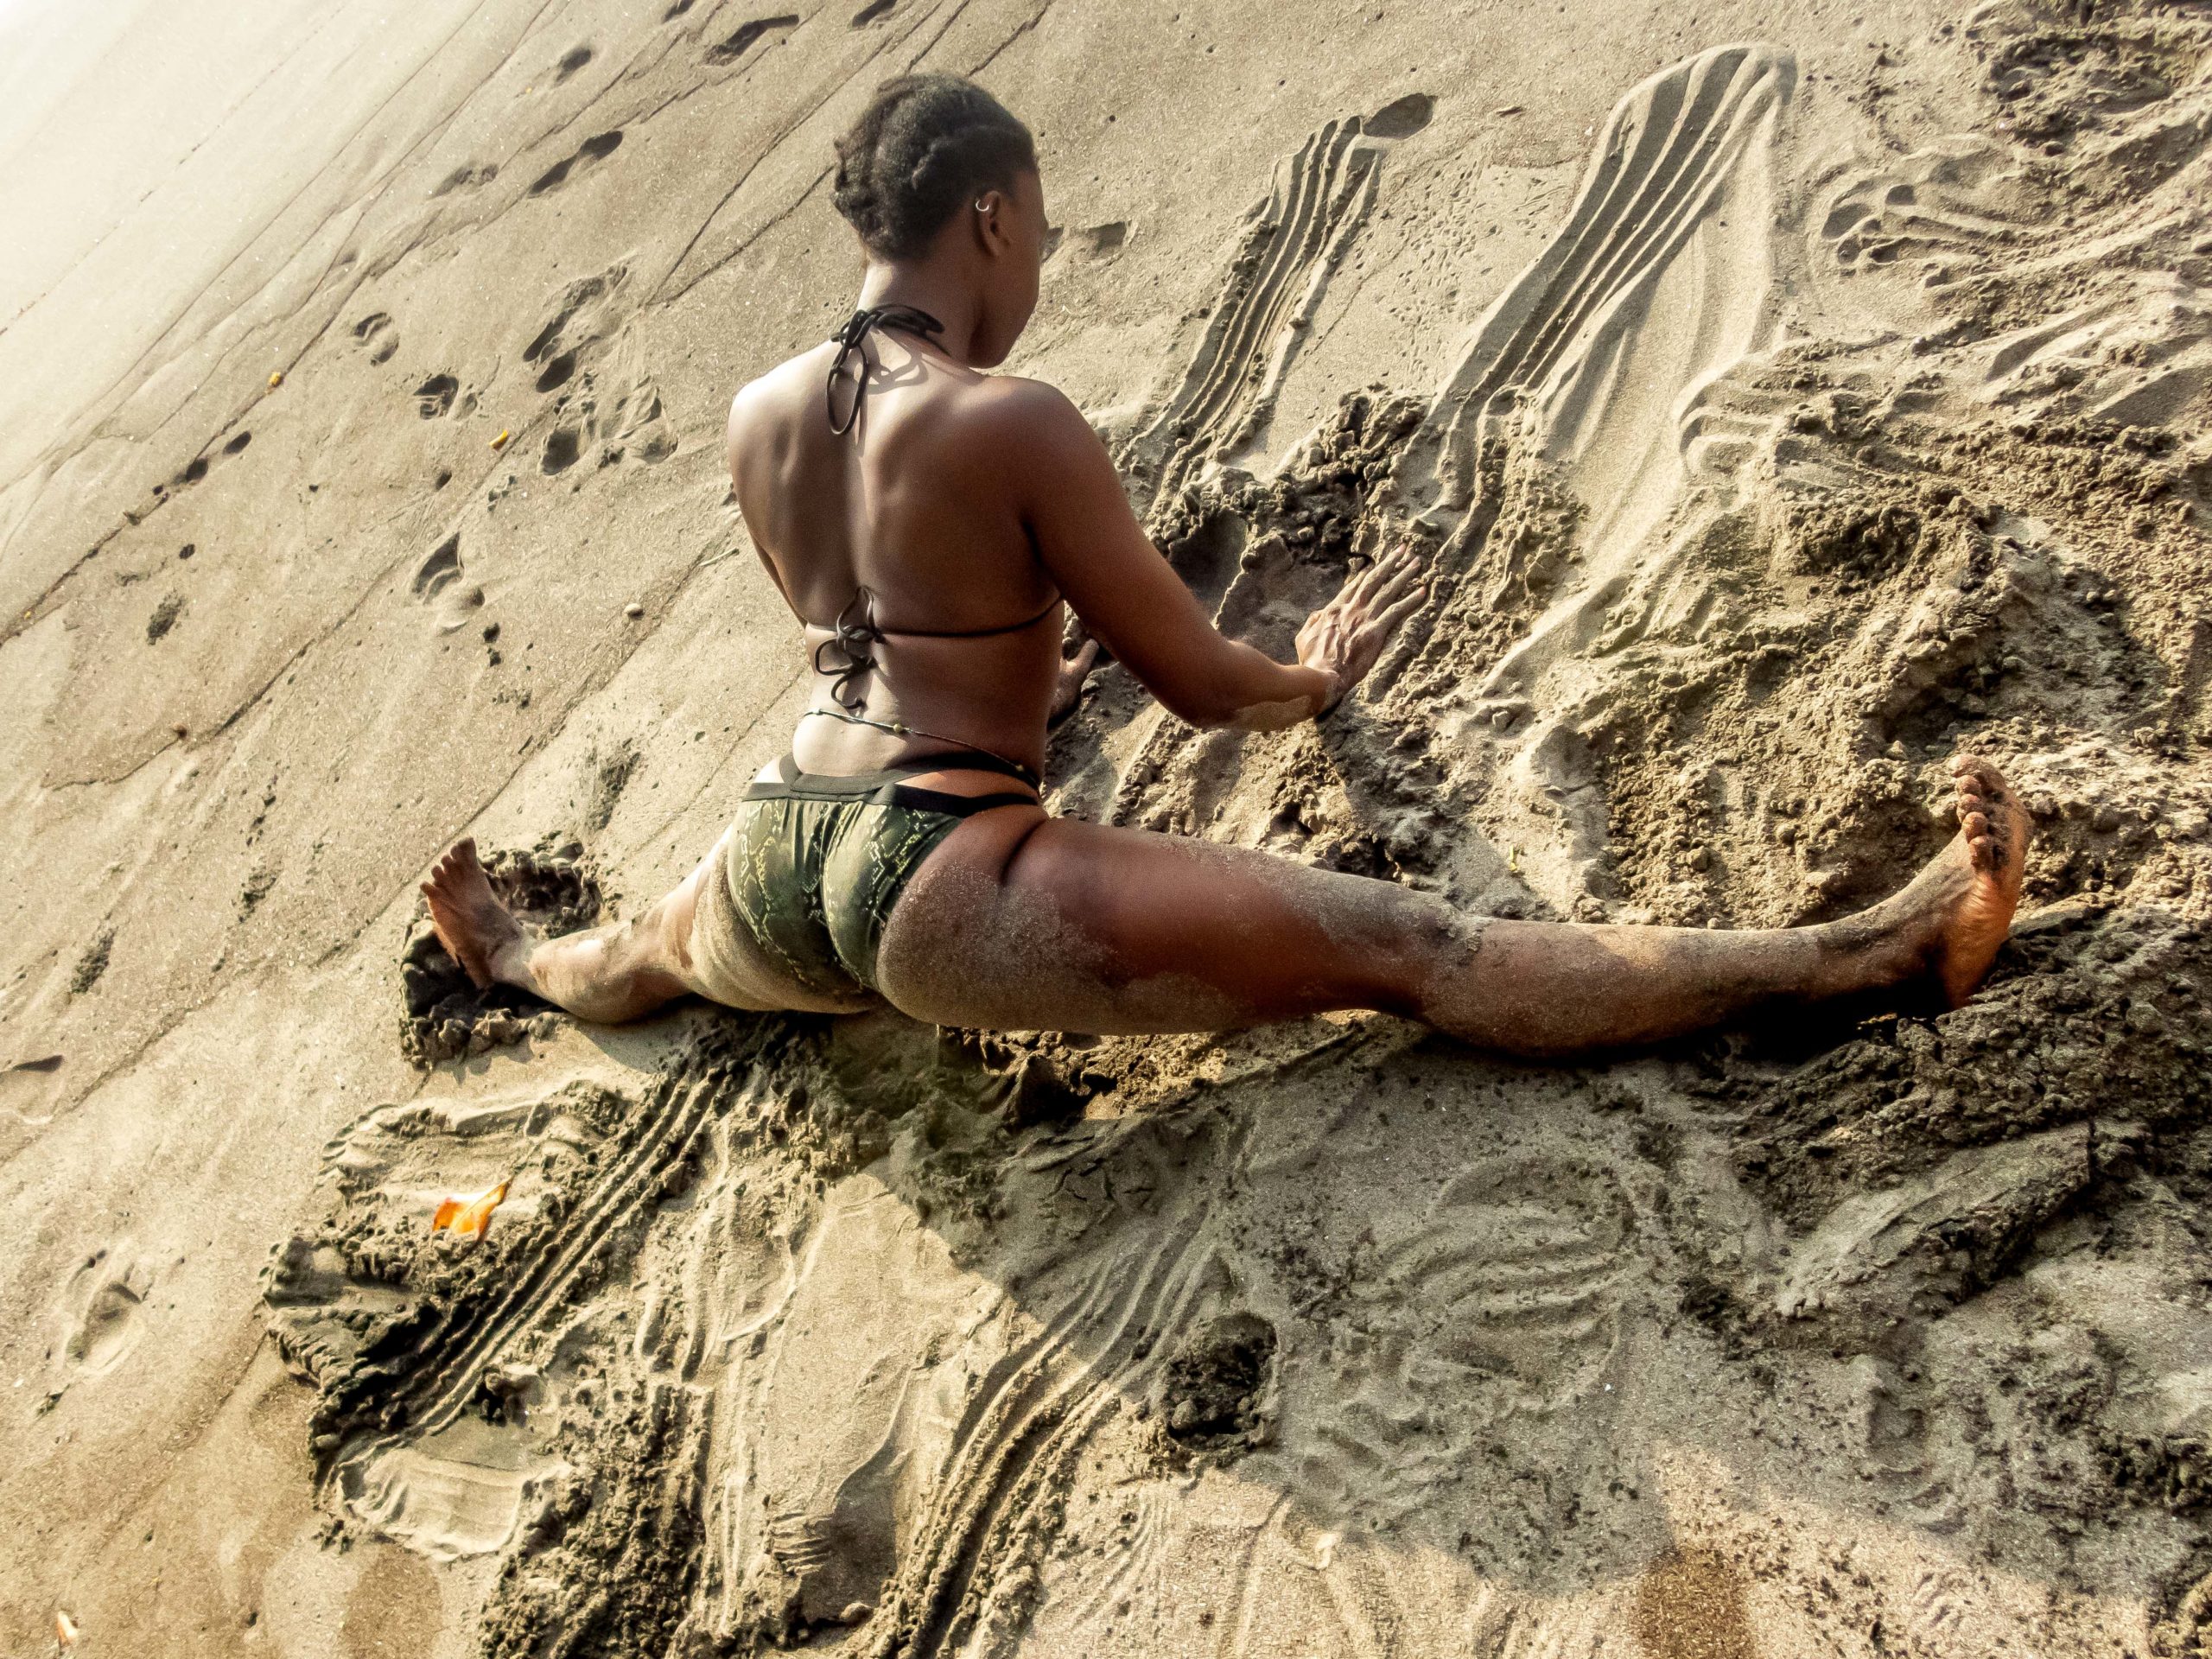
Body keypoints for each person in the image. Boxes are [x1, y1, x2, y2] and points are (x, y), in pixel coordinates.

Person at [421, 73, 2028, 1056]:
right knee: (1417, 954)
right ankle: (1879, 953)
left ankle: (504, 958)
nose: (1037, 264)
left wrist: (1032, 650)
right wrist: (1313, 679)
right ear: (989, 219)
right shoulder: (1010, 417)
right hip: (937, 883)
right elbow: (1201, 688)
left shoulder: (757, 415)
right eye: (1036, 233)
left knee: (633, 955)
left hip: (778, 848)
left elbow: (877, 640)